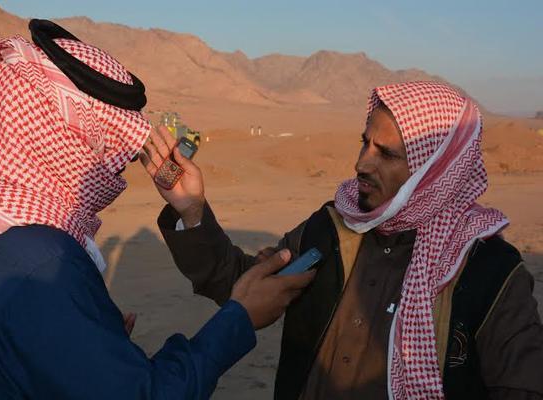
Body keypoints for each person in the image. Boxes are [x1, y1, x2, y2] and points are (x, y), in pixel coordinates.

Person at [0, 20, 314, 399]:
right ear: (66, 144)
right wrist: (238, 321)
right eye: (108, 152)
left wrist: (94, 347)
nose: (115, 170)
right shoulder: (41, 263)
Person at [144, 81, 543, 399]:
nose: (361, 163)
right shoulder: (331, 228)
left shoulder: (490, 271)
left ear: (435, 168)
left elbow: (522, 386)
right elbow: (243, 285)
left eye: (386, 154)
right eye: (364, 142)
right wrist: (191, 210)